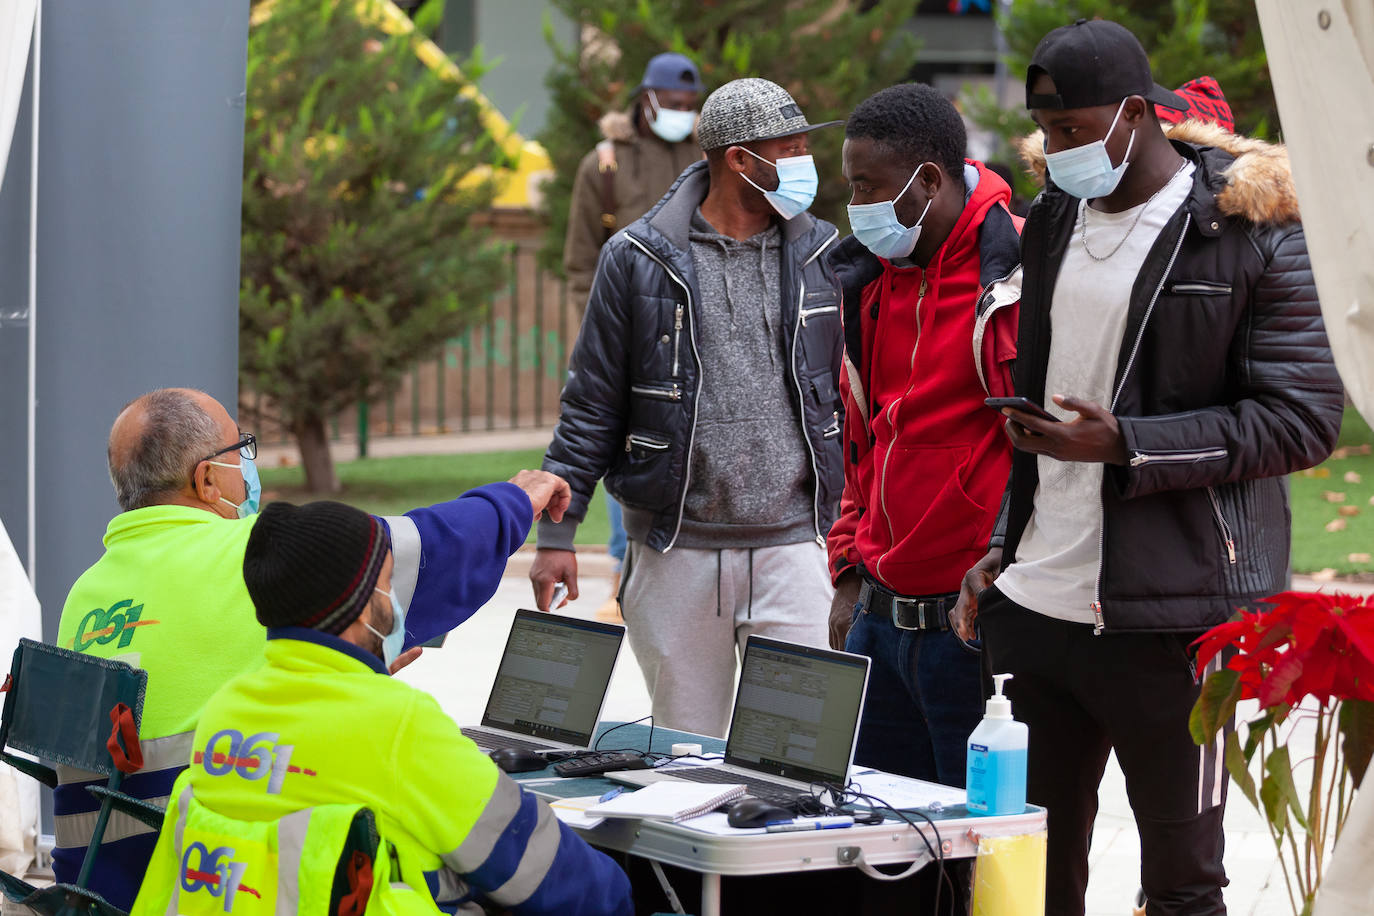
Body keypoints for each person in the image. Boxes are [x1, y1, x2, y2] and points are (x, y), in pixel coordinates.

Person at [952, 20, 1343, 915]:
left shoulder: (1249, 231)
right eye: (1045, 133)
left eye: (1074, 131)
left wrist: (1127, 443)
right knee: (1028, 875)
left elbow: (1300, 422)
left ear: (1138, 114)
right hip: (1037, 611)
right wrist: (1005, 546)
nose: (1055, 152)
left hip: (1175, 619)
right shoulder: (1054, 215)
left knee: (1181, 883)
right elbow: (1048, 404)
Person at [54, 387, 569, 909]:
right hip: (210, 870)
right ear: (207, 480)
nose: (250, 465)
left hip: (101, 882)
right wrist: (515, 499)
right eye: (241, 450)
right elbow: (417, 550)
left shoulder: (86, 592)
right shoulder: (250, 552)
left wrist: (341, 672)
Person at [130, 499, 632, 915]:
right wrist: (628, 896)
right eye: (389, 582)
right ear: (358, 603)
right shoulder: (397, 722)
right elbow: (537, 865)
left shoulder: (226, 708)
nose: (394, 601)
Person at [530, 78, 846, 737]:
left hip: (794, 546)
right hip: (676, 550)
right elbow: (591, 403)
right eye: (787, 149)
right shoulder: (638, 260)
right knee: (686, 761)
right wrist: (558, 535)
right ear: (737, 158)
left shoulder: (823, 254)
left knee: (796, 758)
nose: (802, 164)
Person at [825, 83, 1022, 784]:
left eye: (867, 186)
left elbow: (1040, 444)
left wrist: (1003, 556)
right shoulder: (868, 281)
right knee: (886, 855)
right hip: (876, 619)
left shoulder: (1017, 272)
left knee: (978, 861)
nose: (856, 206)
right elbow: (859, 442)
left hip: (972, 628)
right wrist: (847, 569)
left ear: (928, 181)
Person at [564, 52, 706, 622]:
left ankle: (679, 574)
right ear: (646, 99)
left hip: (695, 329)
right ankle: (624, 581)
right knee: (618, 449)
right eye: (671, 104)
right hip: (625, 332)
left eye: (688, 106)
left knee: (684, 447)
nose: (681, 114)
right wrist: (600, 332)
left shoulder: (707, 157)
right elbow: (579, 262)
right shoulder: (604, 163)